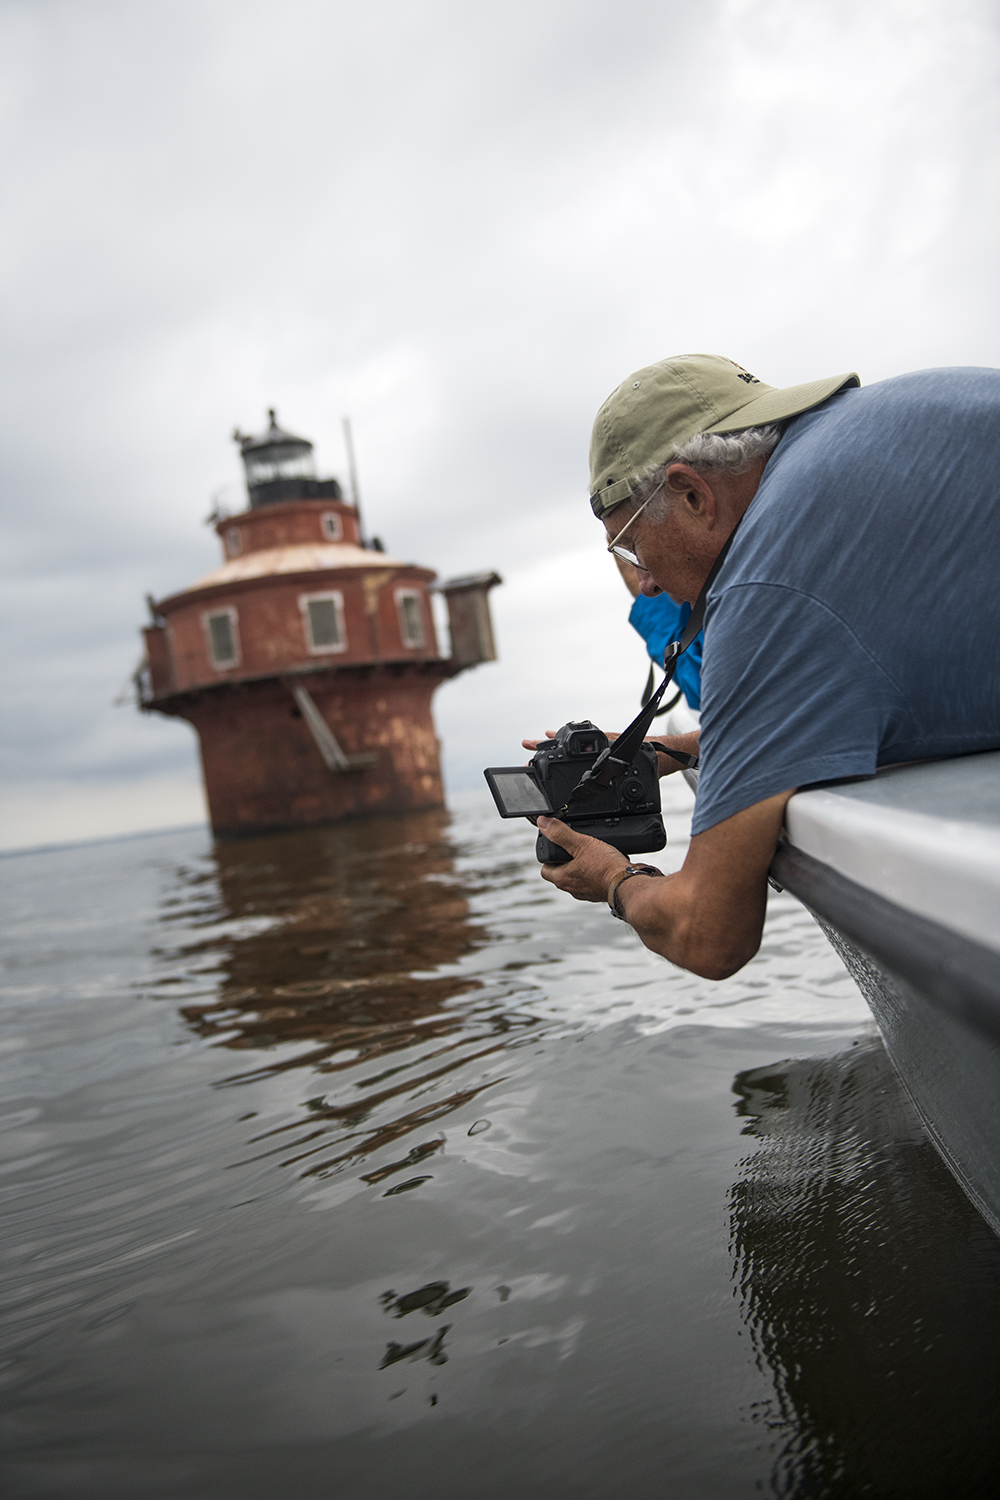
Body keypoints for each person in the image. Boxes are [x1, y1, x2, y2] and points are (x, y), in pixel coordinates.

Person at [527, 353, 1000, 979]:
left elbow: (707, 933)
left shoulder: (762, 585)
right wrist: (679, 749)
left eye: (633, 547)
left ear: (691, 493)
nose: (643, 584)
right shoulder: (898, 413)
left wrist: (617, 880)